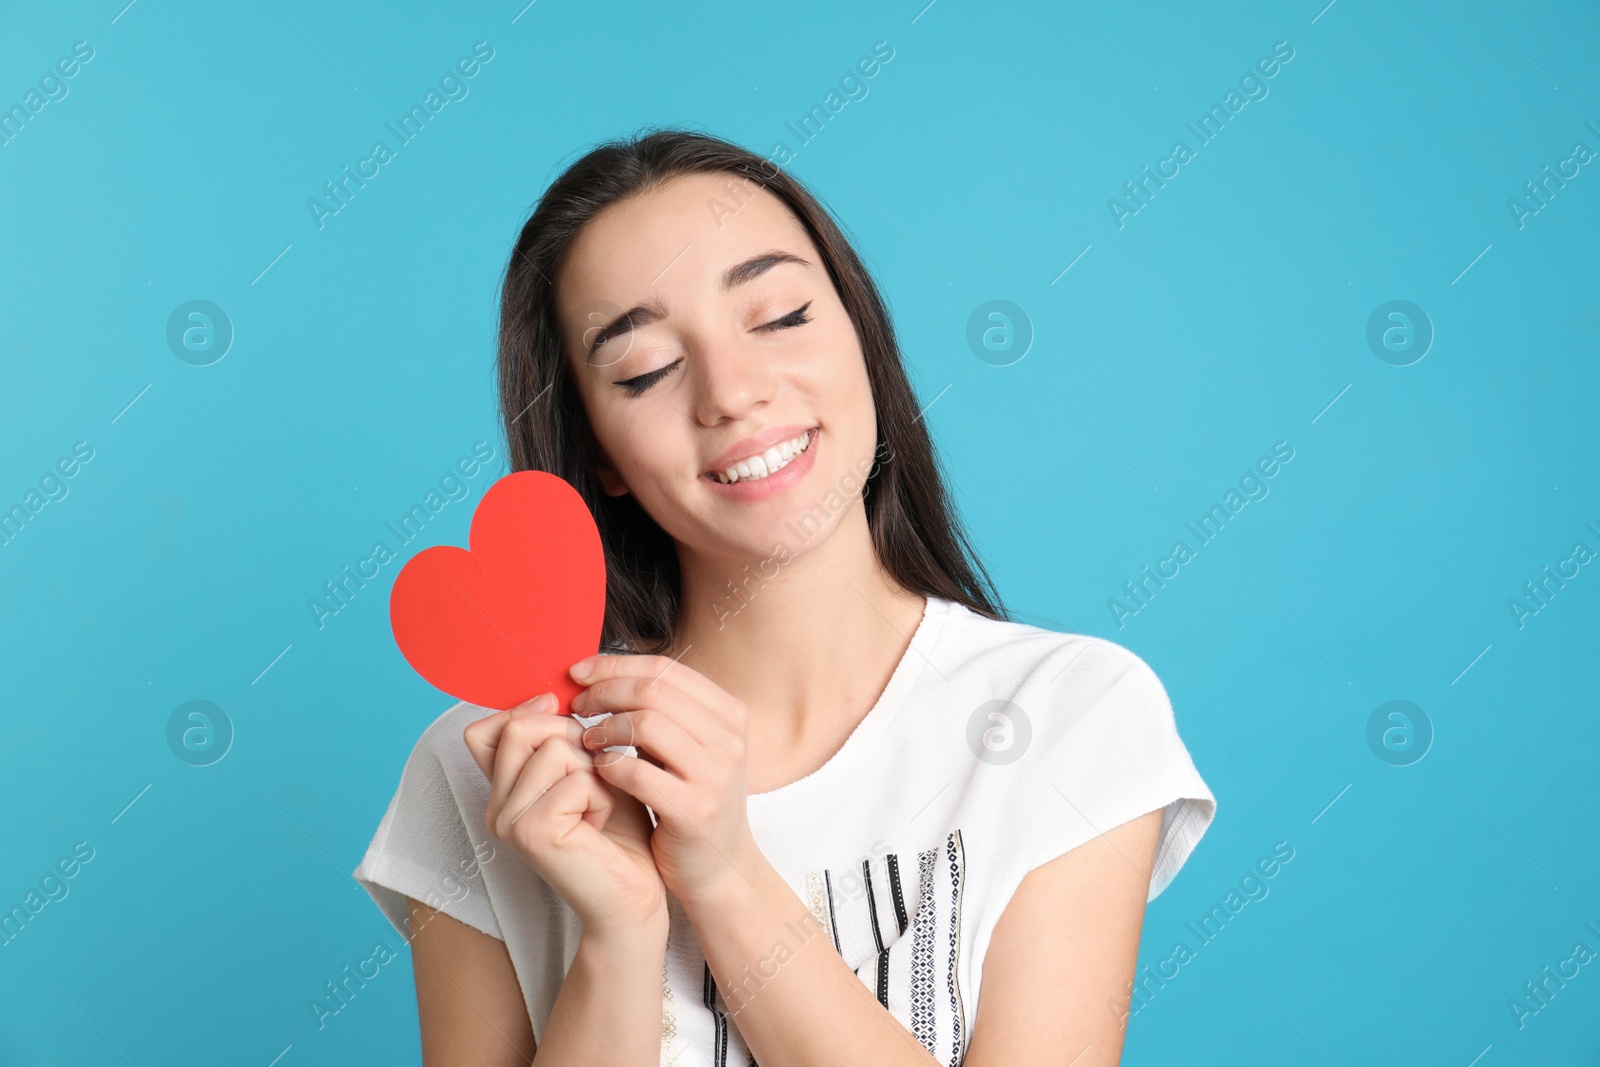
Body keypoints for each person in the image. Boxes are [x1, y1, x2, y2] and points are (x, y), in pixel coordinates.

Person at [353, 127, 1215, 1066]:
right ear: (597, 449)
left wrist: (725, 877)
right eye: (644, 370)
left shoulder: (1071, 715)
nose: (733, 391)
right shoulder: (491, 771)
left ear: (861, 333)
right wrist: (623, 933)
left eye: (779, 315)